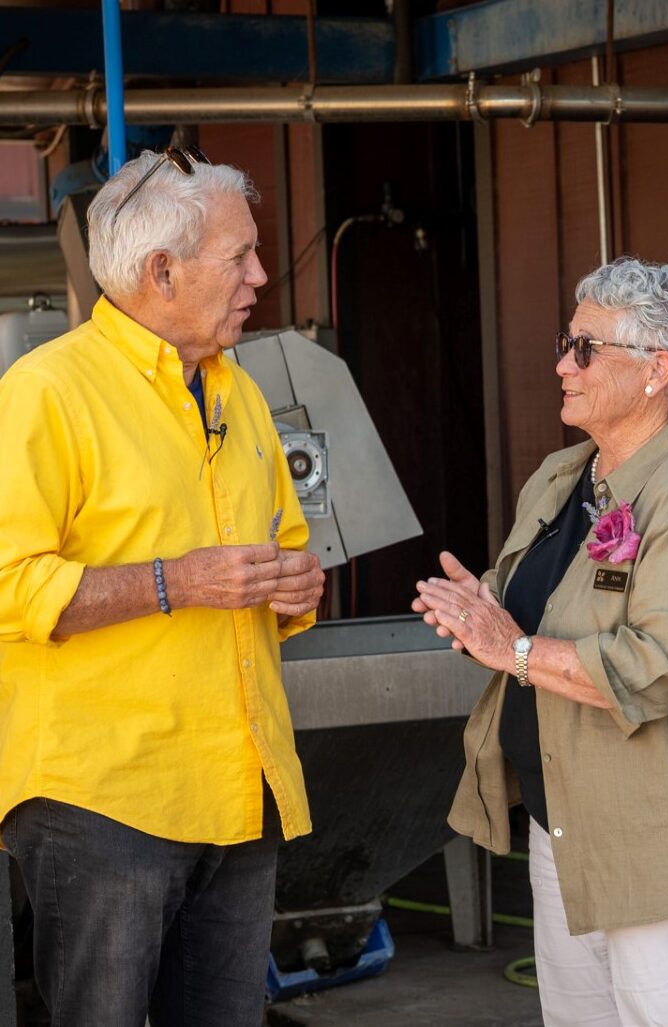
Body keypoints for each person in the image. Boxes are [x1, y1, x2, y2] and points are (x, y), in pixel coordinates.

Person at [0, 147, 325, 1027]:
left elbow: (289, 557)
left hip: (239, 787)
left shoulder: (238, 392)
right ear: (162, 271)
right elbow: (8, 584)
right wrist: (173, 582)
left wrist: (298, 585)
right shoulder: (47, 392)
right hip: (104, 800)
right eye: (241, 256)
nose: (261, 277)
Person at [413, 257, 668, 1027]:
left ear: (656, 371)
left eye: (584, 349)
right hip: (559, 820)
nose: (562, 366)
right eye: (564, 344)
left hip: (650, 838)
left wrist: (512, 649)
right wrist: (475, 608)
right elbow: (543, 602)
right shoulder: (560, 476)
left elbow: (660, 666)